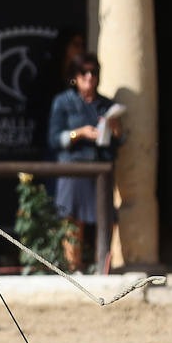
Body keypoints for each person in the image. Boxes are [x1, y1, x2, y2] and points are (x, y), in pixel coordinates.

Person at [47, 52, 123, 272]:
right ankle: (73, 269)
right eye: (84, 72)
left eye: (94, 72)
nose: (89, 77)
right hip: (73, 168)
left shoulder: (107, 104)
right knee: (72, 219)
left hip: (101, 168)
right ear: (75, 76)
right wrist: (79, 133)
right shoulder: (63, 102)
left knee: (106, 219)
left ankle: (104, 267)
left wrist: (116, 130)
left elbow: (121, 141)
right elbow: (54, 139)